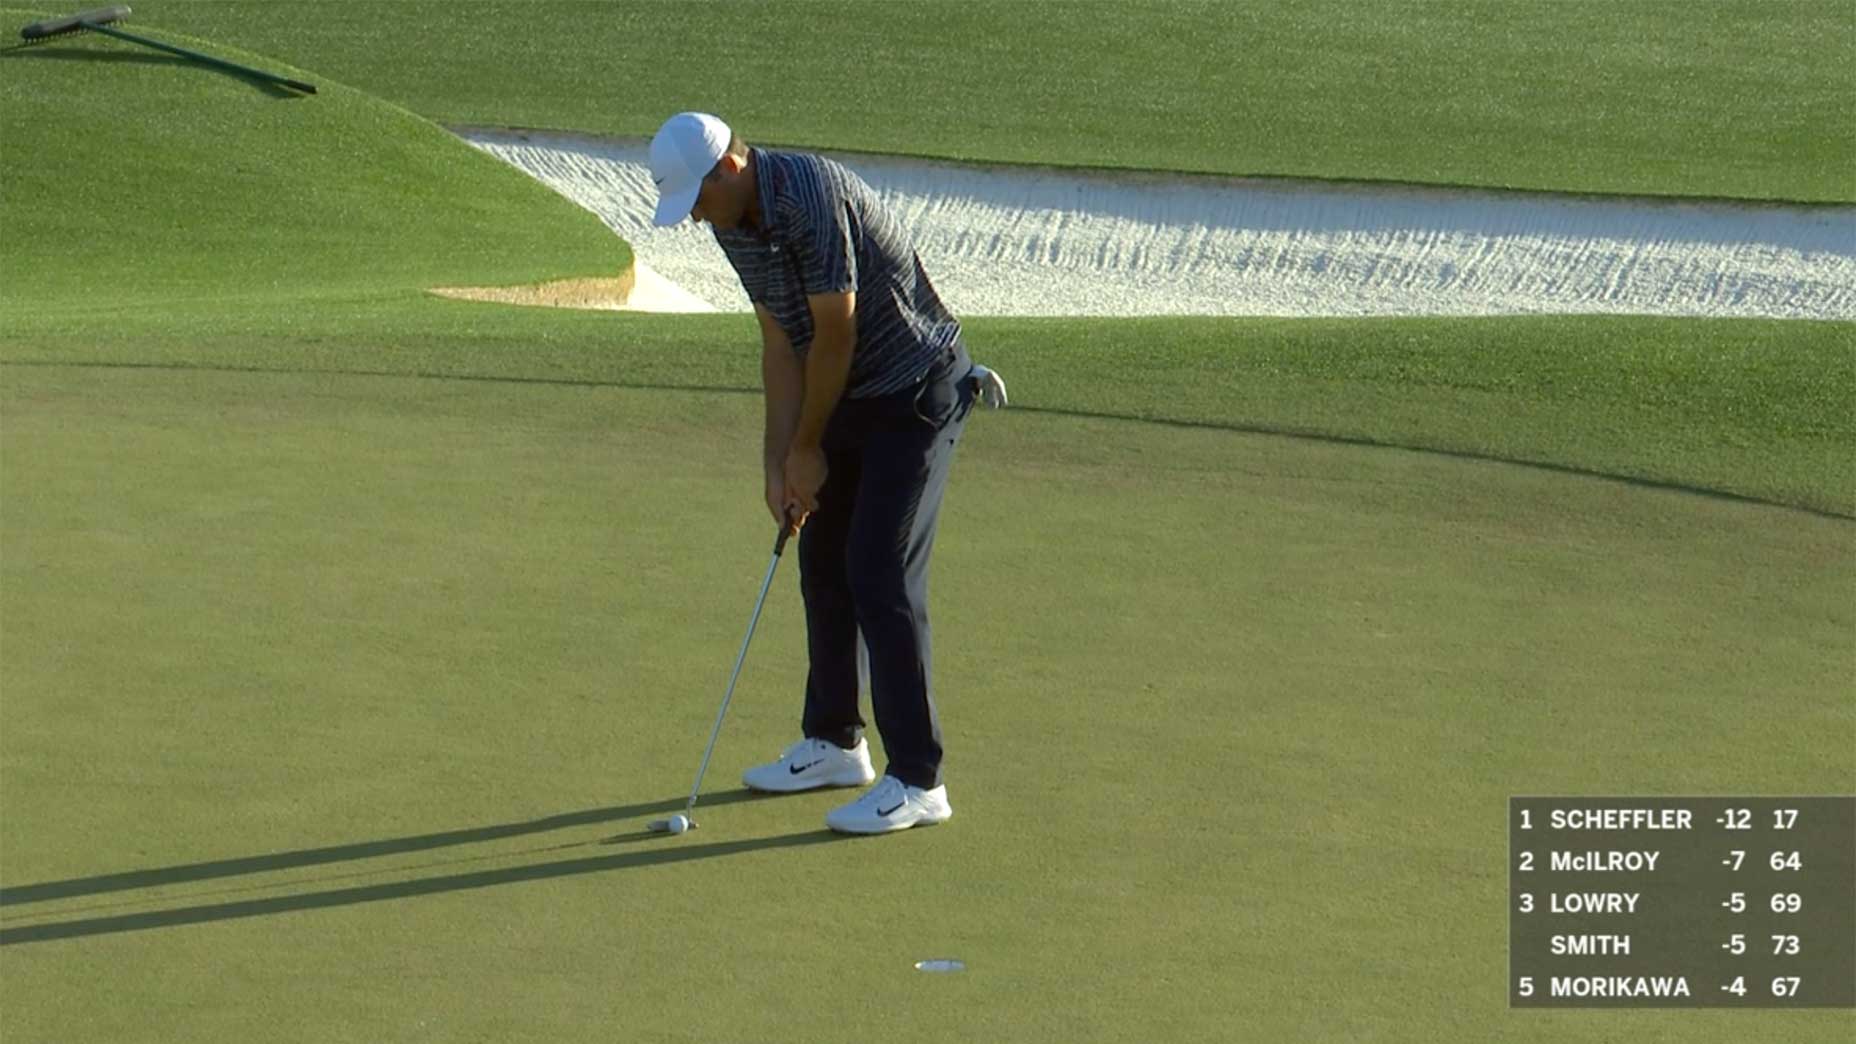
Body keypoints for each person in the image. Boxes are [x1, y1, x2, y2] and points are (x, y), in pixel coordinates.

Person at [648, 112, 1006, 835]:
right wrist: (779, 462)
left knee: (878, 568)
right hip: (845, 390)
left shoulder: (808, 195)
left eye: (697, 200)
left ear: (728, 169)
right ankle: (838, 742)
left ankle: (919, 780)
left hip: (915, 391)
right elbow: (781, 344)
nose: (693, 221)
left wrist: (811, 446)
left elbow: (835, 330)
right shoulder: (731, 221)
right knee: (822, 559)